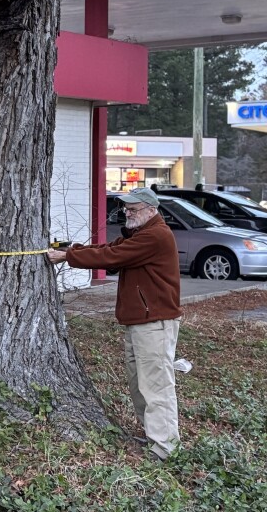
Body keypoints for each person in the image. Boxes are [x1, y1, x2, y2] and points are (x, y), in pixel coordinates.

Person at [47, 187, 182, 460]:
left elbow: (111, 257)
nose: (127, 214)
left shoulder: (155, 236)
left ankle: (165, 449)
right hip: (142, 320)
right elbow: (109, 249)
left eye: (133, 209)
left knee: (155, 385)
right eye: (126, 209)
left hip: (154, 322)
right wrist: (75, 250)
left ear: (151, 210)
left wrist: (67, 257)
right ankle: (152, 438)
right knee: (139, 383)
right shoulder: (141, 234)